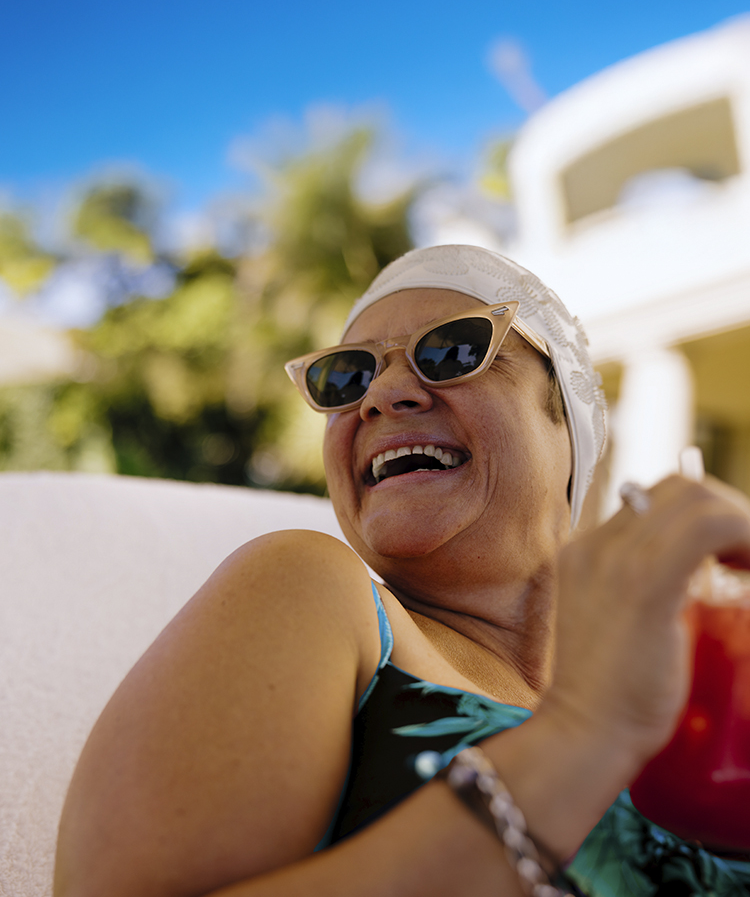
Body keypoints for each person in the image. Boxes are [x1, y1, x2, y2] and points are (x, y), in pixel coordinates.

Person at [54, 245, 750, 897]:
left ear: (566, 424)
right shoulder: (309, 587)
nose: (381, 395)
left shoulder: (691, 683)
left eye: (454, 350)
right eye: (345, 377)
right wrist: (582, 735)